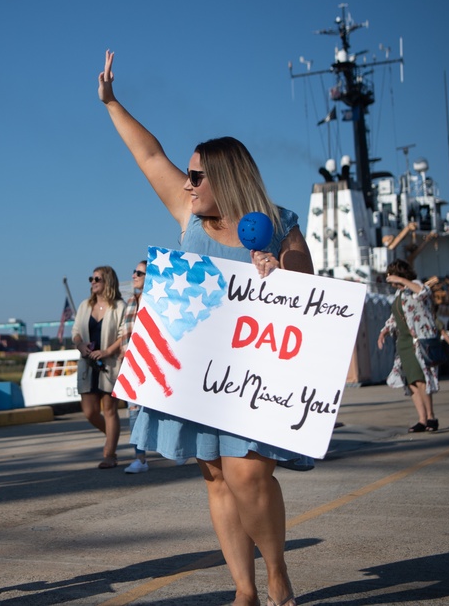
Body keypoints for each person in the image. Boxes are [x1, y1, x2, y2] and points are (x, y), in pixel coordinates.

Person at [98, 50, 312, 606]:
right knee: (215, 476)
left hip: (252, 376)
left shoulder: (279, 222)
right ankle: (243, 590)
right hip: (196, 372)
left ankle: (278, 576)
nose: (187, 183)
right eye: (188, 176)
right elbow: (149, 156)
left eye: (197, 176)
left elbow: (308, 282)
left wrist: (278, 267)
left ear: (226, 177)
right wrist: (112, 103)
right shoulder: (191, 215)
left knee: (249, 478)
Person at [71, 266, 126, 469]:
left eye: (97, 279)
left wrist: (107, 351)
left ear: (108, 282)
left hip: (109, 364)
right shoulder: (85, 305)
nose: (93, 282)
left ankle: (109, 454)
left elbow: (124, 334)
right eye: (91, 278)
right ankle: (111, 436)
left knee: (110, 410)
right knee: (90, 412)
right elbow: (76, 331)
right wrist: (80, 345)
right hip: (87, 364)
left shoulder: (119, 306)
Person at [377, 259, 441, 432]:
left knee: (421, 379)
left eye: (392, 275)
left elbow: (423, 293)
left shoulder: (415, 286)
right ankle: (421, 419)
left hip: (419, 341)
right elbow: (394, 318)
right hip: (404, 342)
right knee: (411, 381)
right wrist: (384, 332)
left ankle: (431, 417)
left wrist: (403, 281)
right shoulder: (399, 295)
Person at [120, 260, 150, 474]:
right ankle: (140, 458)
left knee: (163, 412)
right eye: (134, 272)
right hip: (131, 365)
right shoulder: (131, 301)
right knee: (133, 413)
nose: (134, 275)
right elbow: (124, 332)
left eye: (139, 272)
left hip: (152, 365)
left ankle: (179, 451)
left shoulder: (156, 300)